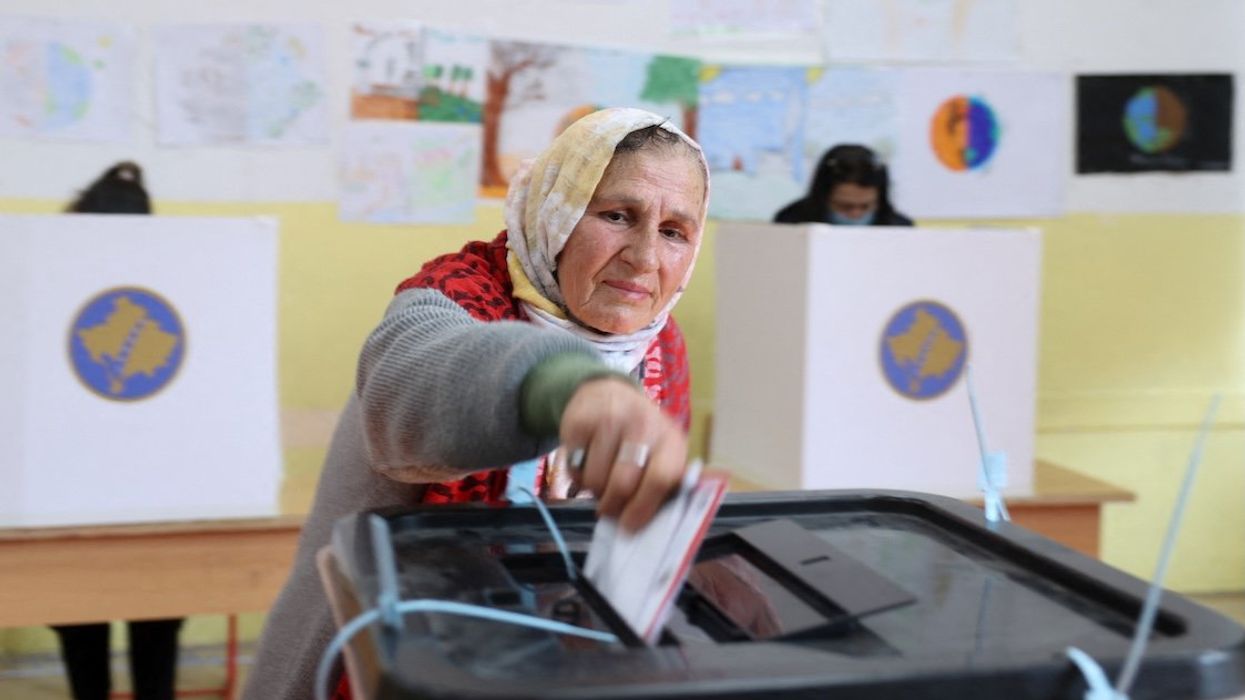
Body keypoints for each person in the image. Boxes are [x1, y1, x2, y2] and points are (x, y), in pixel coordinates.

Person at [243, 107, 710, 700]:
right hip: (381, 666)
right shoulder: (455, 296)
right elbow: (409, 382)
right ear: (557, 212)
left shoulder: (660, 344)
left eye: (674, 231)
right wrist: (564, 386)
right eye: (618, 215)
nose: (645, 257)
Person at [54, 161, 185, 700]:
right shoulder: (184, 286)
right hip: (157, 504)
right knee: (155, 645)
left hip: (69, 506)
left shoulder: (51, 285)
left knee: (85, 642)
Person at [773, 144, 913, 227]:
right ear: (823, 196)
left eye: (866, 206)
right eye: (844, 206)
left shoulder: (899, 227)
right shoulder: (790, 223)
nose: (856, 214)